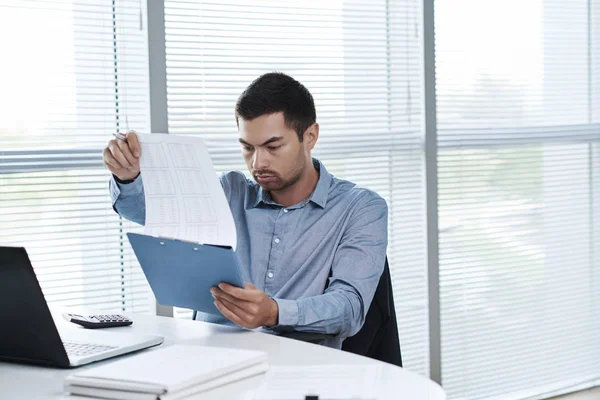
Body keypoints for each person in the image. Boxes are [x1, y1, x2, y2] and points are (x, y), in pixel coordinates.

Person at [103, 72, 388, 349]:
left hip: (297, 370)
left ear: (310, 136)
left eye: (273, 146)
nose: (258, 163)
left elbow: (349, 308)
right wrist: (128, 177)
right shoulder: (230, 191)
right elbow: (148, 212)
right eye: (248, 147)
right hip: (208, 360)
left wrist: (276, 312)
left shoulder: (360, 208)